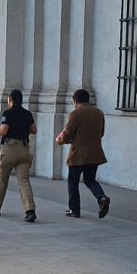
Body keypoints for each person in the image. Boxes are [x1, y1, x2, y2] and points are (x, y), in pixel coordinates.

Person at [0, 89, 38, 223]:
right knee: (24, 181)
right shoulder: (27, 114)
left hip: (10, 149)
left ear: (10, 99)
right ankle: (30, 210)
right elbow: (34, 130)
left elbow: (3, 131)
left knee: (2, 179)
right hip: (24, 150)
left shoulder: (8, 113)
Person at [55, 88, 110, 219]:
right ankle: (101, 197)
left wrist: (61, 140)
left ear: (75, 101)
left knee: (73, 181)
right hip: (95, 153)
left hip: (78, 154)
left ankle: (74, 209)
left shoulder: (75, 114)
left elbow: (67, 133)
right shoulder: (99, 113)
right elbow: (101, 133)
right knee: (90, 180)